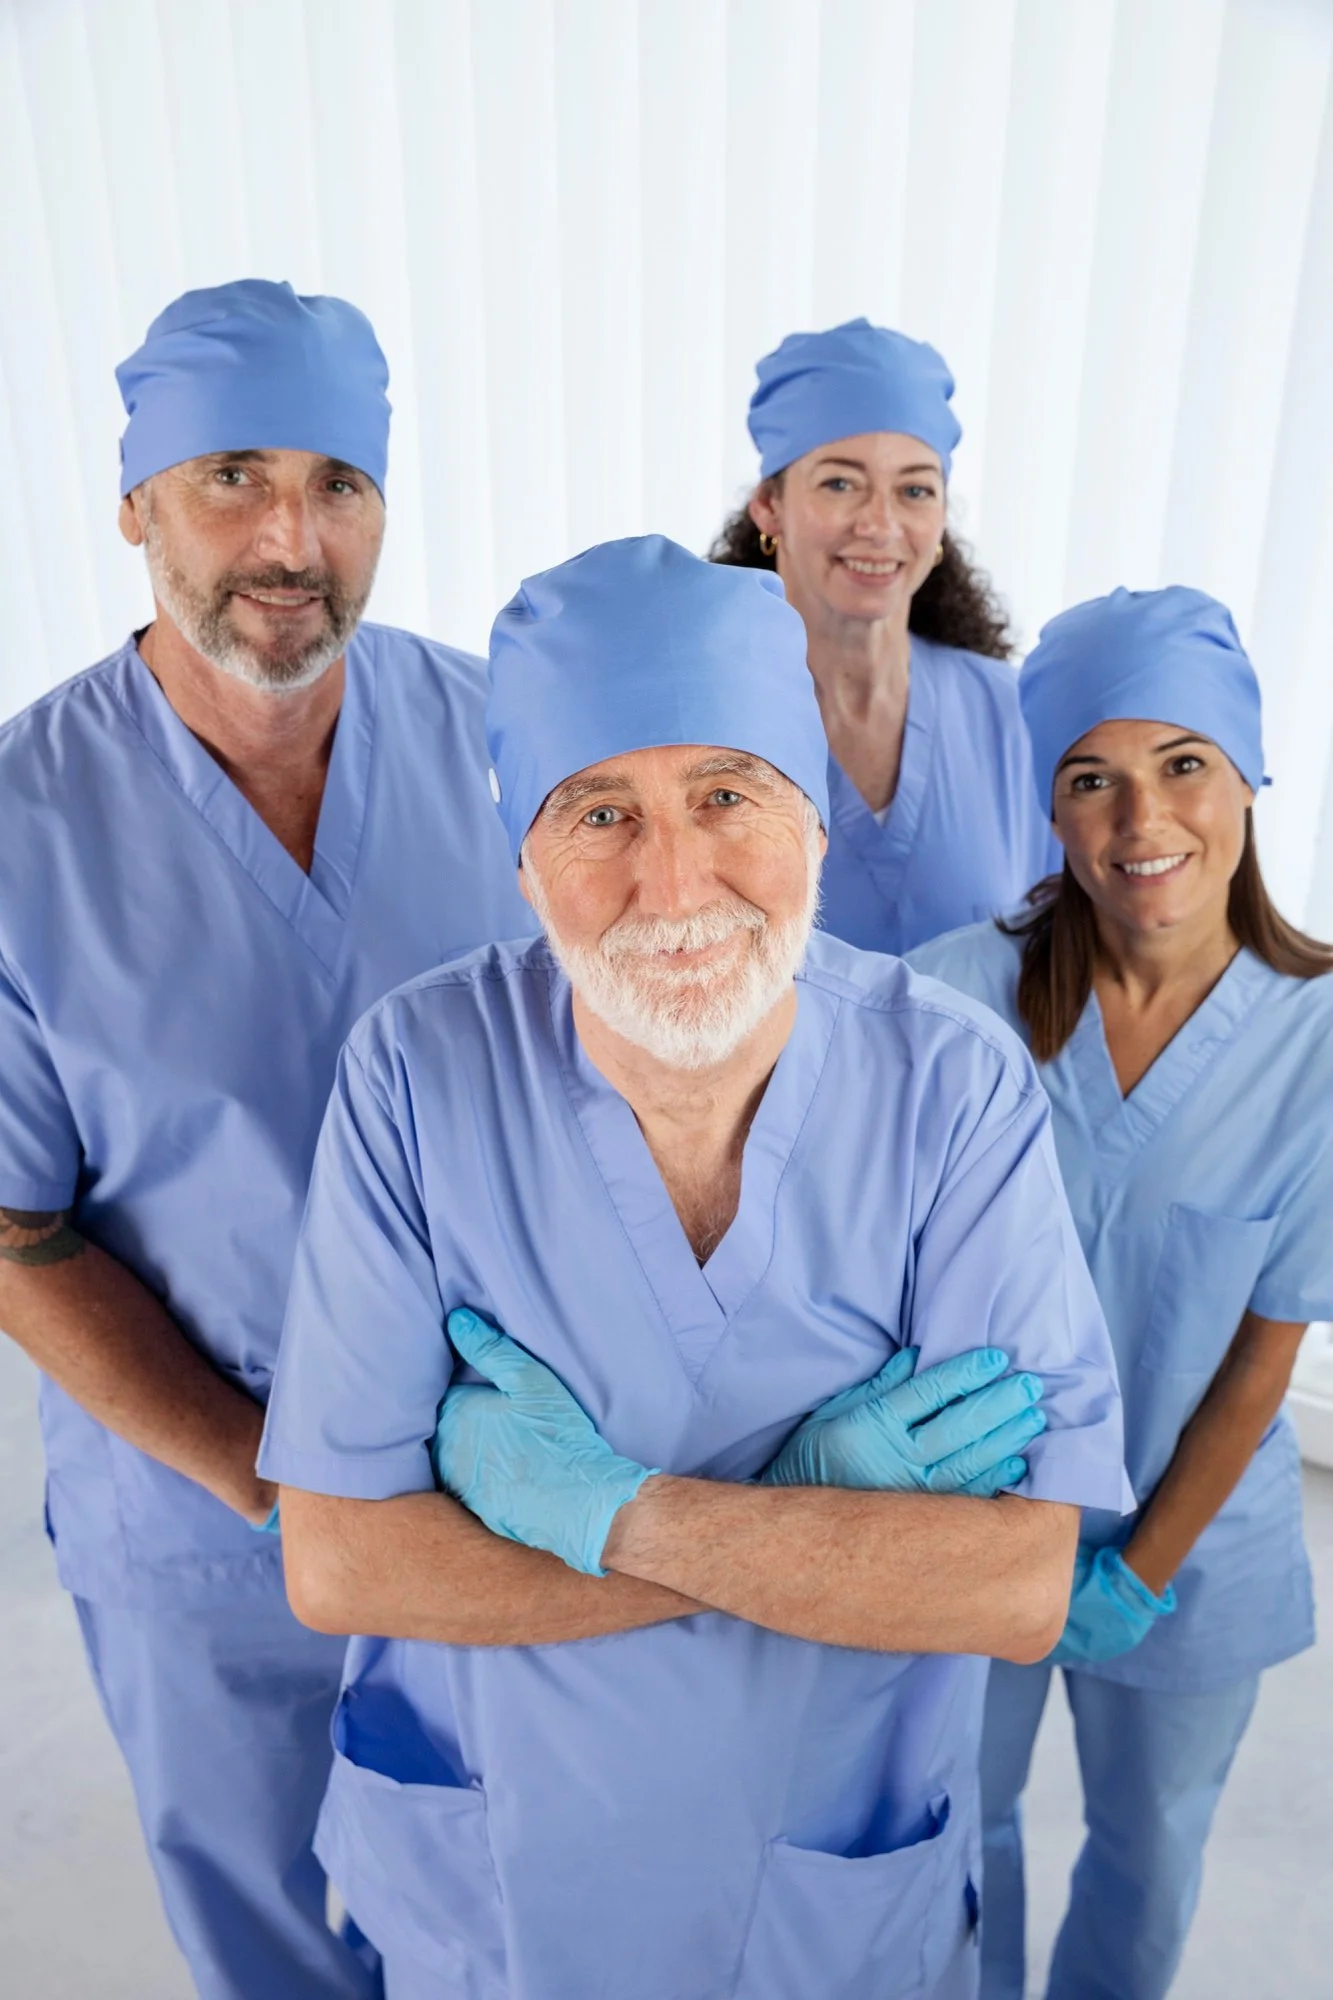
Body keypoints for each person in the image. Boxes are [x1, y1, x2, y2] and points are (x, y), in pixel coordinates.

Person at [259, 535, 1129, 2000]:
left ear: (815, 826)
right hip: (499, 1881)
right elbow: (343, 1563)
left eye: (726, 795)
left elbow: (1012, 1589)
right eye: (599, 809)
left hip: (818, 1895)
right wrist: (812, 1535)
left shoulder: (949, 1090)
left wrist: (608, 1514)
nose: (671, 881)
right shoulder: (417, 1072)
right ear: (522, 857)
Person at [0, 280, 531, 2000]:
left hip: (509, 1494)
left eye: (341, 483)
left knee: (513, 1920)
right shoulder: (24, 827)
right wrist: (271, 1481)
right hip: (203, 1531)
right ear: (135, 504)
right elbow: (18, 1233)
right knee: (278, 1948)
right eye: (234, 474)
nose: (292, 536)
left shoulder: (515, 750)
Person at [909, 587, 1333, 2000]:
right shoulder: (956, 997)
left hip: (1193, 1546)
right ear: (1049, 806)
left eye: (1182, 765)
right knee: (958, 1838)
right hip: (971, 1527)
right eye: (1091, 779)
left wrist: (1139, 1569)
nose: (1140, 818)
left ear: (1249, 779)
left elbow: (1262, 1355)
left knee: (1147, 1854)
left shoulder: (1320, 1041)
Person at [710, 317, 1057, 955]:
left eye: (915, 490)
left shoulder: (1014, 716)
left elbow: (1065, 965)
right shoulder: (706, 716)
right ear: (768, 505)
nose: (880, 523)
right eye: (840, 483)